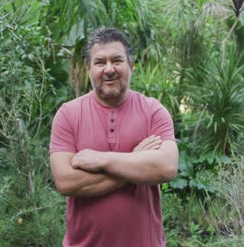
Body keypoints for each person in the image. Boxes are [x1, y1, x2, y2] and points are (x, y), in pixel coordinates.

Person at [49, 26, 179, 247]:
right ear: (88, 69)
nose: (109, 69)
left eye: (117, 60)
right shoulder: (68, 115)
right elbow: (65, 181)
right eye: (100, 62)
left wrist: (101, 159)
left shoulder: (153, 111)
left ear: (131, 66)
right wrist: (136, 160)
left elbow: (166, 168)